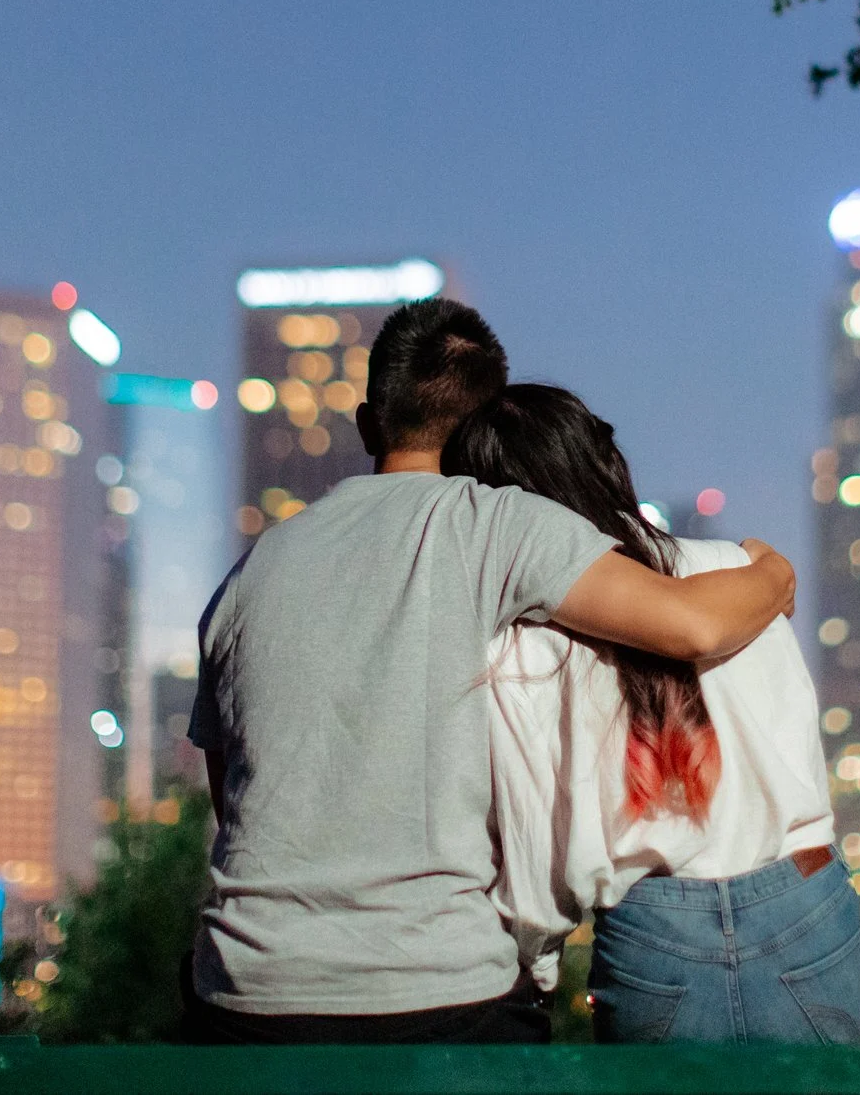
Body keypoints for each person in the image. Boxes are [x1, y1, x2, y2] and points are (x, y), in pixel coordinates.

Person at [184, 299, 797, 1044]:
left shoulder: (248, 576)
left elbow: (233, 797)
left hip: (243, 996)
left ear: (367, 420)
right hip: (439, 998)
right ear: (485, 422)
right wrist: (771, 571)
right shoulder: (491, 523)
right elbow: (693, 623)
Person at [448, 384, 860, 1046]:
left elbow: (535, 838)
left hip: (654, 931)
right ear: (603, 462)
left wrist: (538, 963)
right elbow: (797, 740)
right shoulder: (739, 571)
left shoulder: (521, 644)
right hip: (807, 891)